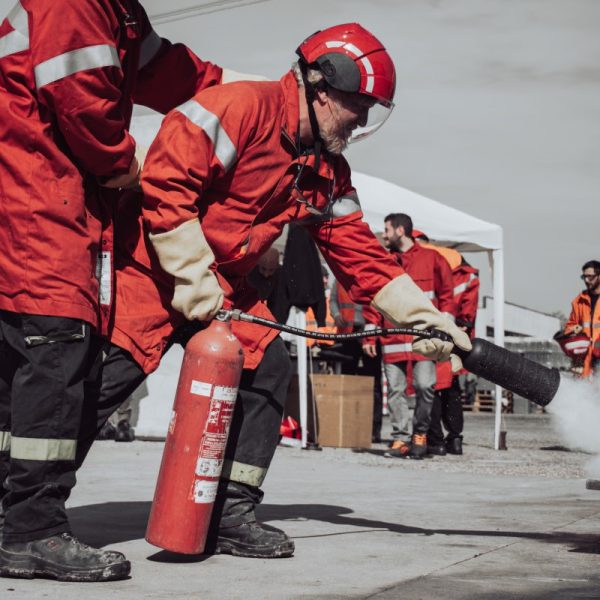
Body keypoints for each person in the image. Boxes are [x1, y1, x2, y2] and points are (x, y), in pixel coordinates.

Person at [92, 23, 471, 559]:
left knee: (267, 370)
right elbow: (166, 184)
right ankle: (25, 509)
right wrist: (194, 280)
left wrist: (426, 317)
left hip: (223, 289)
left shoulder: (326, 172)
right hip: (149, 272)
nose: (363, 119)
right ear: (320, 87)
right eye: (358, 104)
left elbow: (359, 255)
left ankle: (230, 511)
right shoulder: (239, 108)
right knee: (101, 382)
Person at [0, 0, 245, 582]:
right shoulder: (77, 3)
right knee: (58, 359)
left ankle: (15, 522)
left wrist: (253, 92)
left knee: (19, 374)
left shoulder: (119, 14)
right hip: (36, 205)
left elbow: (178, 75)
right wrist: (123, 166)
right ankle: (31, 532)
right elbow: (83, 105)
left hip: (37, 203)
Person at [363, 214, 456, 459]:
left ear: (400, 230)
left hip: (423, 339)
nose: (383, 235)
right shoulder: (384, 260)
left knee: (426, 386)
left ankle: (420, 435)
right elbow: (373, 297)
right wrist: (369, 334)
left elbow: (447, 294)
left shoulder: (432, 258)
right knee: (395, 390)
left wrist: (445, 325)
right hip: (392, 339)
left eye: (386, 230)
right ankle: (400, 439)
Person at [413, 232, 480, 456]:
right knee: (451, 391)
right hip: (458, 337)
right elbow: (468, 313)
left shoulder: (431, 266)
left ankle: (437, 441)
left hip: (438, 338)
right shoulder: (468, 276)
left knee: (433, 389)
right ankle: (455, 439)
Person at [563, 260, 600, 378]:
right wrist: (577, 330)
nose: (586, 280)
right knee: (583, 392)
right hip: (582, 361)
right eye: (584, 277)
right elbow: (569, 328)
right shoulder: (578, 302)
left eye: (590, 277)